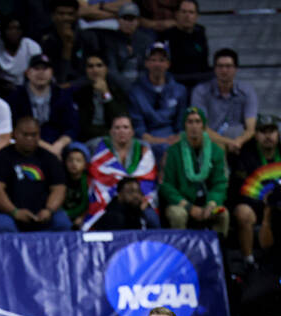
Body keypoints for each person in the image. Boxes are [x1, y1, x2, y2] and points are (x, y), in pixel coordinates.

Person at [0, 116, 71, 232]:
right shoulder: (0, 158)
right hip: (10, 215)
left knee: (62, 222)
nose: (29, 138)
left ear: (39, 135)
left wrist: (49, 210)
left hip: (44, 215)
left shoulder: (50, 159)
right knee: (2, 224)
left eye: (34, 135)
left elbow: (59, 188)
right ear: (14, 134)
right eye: (25, 135)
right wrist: (14, 212)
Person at [160, 106, 229, 236]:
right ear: (184, 126)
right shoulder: (173, 152)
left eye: (198, 121)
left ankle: (218, 251)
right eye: (190, 122)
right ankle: (181, 252)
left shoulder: (216, 151)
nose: (194, 126)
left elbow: (220, 183)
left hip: (207, 202)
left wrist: (212, 203)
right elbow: (165, 185)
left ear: (203, 126)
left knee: (223, 214)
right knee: (177, 215)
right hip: (181, 203)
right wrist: (188, 206)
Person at [84, 115, 159, 230]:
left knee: (151, 218)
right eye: (117, 128)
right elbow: (98, 178)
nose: (121, 131)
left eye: (125, 127)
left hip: (138, 199)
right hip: (110, 200)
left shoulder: (143, 150)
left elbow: (148, 179)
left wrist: (145, 199)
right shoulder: (100, 150)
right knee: (114, 218)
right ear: (111, 131)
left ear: (132, 132)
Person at [231, 114, 281, 268]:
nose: (268, 136)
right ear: (256, 135)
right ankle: (249, 262)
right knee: (243, 213)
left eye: (271, 131)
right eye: (263, 131)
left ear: (278, 134)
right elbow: (238, 192)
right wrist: (264, 203)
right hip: (254, 205)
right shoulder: (245, 155)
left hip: (278, 206)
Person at [6, 54, 78, 159]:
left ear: (51, 72)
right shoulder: (16, 96)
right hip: (26, 141)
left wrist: (58, 146)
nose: (41, 73)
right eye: (36, 68)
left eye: (45, 68)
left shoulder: (62, 95)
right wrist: (48, 149)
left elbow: (72, 127)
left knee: (76, 152)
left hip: (57, 143)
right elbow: (13, 127)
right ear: (28, 73)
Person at [128, 41, 187, 163]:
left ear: (168, 64)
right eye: (153, 60)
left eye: (161, 60)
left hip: (173, 137)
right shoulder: (135, 91)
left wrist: (177, 137)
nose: (157, 64)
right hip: (147, 139)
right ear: (146, 63)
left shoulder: (180, 90)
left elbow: (181, 123)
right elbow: (138, 127)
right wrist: (159, 141)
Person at [191, 48, 257, 156]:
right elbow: (202, 127)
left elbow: (250, 129)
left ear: (235, 69)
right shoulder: (201, 91)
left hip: (239, 140)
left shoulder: (247, 91)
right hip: (211, 138)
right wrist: (228, 142)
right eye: (220, 66)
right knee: (217, 146)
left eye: (228, 66)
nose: (224, 70)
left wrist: (238, 142)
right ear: (214, 69)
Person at [39, 0, 99, 86]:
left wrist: (72, 85)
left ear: (76, 15)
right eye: (61, 14)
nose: (66, 18)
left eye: (70, 14)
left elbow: (95, 70)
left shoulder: (88, 37)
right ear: (53, 15)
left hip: (84, 86)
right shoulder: (45, 39)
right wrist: (67, 47)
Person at [73, 52, 128, 143]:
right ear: (86, 70)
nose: (95, 70)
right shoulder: (80, 94)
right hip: (90, 140)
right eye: (90, 66)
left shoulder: (117, 92)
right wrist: (108, 133)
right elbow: (83, 126)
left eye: (99, 65)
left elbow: (120, 119)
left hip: (116, 139)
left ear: (106, 69)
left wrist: (106, 93)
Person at [157, 0, 210, 91]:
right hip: (175, 80)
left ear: (197, 16)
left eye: (191, 12)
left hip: (199, 80)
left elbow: (204, 62)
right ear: (177, 14)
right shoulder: (166, 36)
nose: (187, 16)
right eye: (184, 12)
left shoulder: (200, 33)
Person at [104, 2, 155, 93]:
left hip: (142, 86)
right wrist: (128, 87)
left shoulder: (146, 40)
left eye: (132, 19)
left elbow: (149, 67)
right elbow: (111, 70)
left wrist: (138, 85)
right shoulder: (109, 40)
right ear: (118, 20)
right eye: (125, 18)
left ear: (138, 21)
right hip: (116, 87)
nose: (128, 23)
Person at [0, 17, 41, 93]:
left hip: (28, 87)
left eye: (17, 29)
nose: (13, 32)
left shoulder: (32, 46)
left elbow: (39, 70)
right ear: (3, 31)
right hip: (2, 88)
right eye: (9, 29)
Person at [62, 143, 89, 229]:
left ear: (85, 164)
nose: (74, 164)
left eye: (78, 160)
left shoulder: (89, 181)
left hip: (82, 217)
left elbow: (89, 204)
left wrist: (82, 217)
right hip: (64, 215)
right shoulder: (60, 179)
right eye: (70, 160)